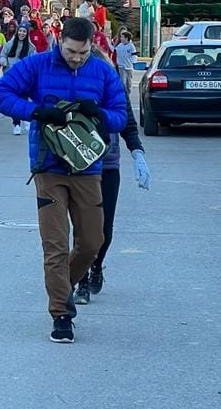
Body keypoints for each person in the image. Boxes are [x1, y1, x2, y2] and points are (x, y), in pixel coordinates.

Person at [0, 16, 128, 343]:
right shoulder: (37, 65)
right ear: (59, 40)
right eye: (70, 51)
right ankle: (61, 315)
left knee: (92, 242)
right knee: (54, 245)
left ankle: (60, 286)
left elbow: (121, 115)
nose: (76, 58)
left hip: (87, 169)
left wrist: (99, 114)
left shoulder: (103, 71)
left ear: (92, 46)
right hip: (49, 168)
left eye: (82, 53)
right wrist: (36, 111)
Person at [74, 49, 151, 305]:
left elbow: (128, 122)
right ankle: (81, 280)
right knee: (82, 227)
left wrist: (138, 153)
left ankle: (97, 266)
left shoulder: (112, 86)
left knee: (104, 228)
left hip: (107, 165)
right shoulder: (72, 86)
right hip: (79, 166)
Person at [0, 24, 33, 136]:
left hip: (24, 79)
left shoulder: (30, 47)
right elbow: (3, 54)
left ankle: (26, 120)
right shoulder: (10, 44)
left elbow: (34, 61)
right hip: (11, 77)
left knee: (24, 100)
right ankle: (16, 124)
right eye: (20, 31)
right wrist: (3, 61)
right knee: (14, 101)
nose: (22, 33)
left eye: (24, 31)